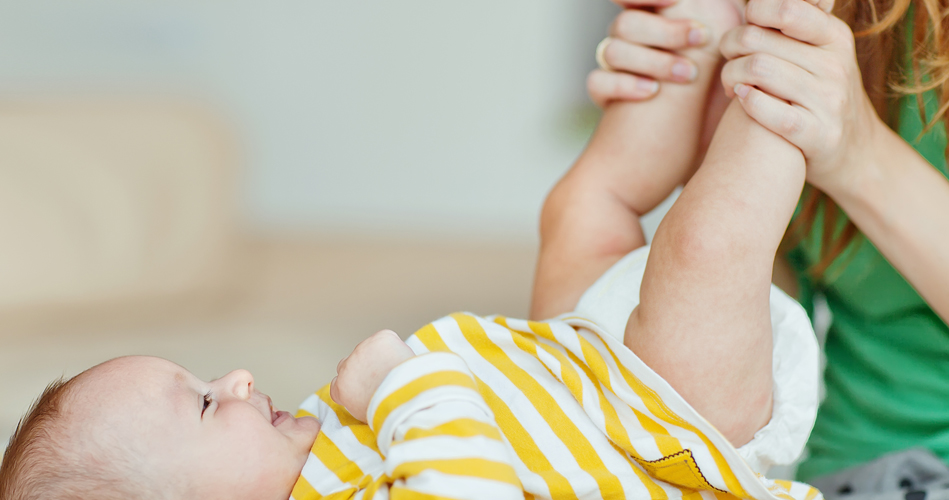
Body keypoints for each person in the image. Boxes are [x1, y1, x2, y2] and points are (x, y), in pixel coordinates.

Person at [1, 1, 826, 498]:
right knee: (705, 246)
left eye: (205, 375)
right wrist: (401, 387)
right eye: (207, 403)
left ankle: (695, 23)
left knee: (579, 209)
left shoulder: (308, 447)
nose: (238, 377)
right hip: (663, 436)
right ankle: (802, 48)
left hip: (582, 370)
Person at [590, 0, 949, 483]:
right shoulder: (807, 23)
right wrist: (715, 171)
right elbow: (715, 391)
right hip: (848, 471)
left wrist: (860, 158)